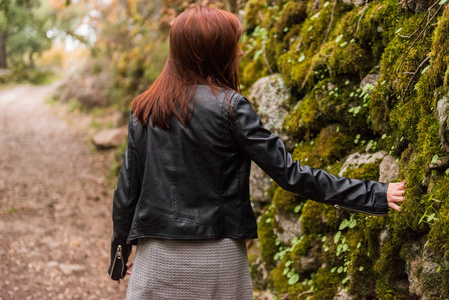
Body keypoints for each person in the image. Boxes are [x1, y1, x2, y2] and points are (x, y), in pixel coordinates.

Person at [107, 5, 405, 299]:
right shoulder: (230, 107)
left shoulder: (144, 109)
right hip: (217, 259)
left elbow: (126, 192)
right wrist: (374, 194)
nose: (240, 53)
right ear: (212, 51)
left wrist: (120, 254)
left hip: (155, 258)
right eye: (233, 44)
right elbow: (291, 175)